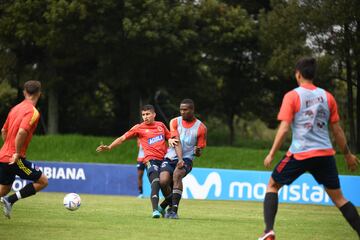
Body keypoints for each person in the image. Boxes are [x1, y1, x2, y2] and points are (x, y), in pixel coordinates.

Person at [258, 57, 360, 240]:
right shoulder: (328, 97)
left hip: (300, 153)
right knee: (339, 199)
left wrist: (271, 153)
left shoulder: (292, 96)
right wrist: (348, 155)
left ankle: (269, 232)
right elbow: (337, 130)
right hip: (325, 155)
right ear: (313, 75)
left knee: (272, 185)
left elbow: (283, 128)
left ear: (298, 74)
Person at [96, 104, 179, 218]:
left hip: (165, 160)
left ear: (154, 114)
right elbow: (122, 138)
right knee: (155, 181)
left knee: (172, 187)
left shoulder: (161, 125)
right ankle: (155, 210)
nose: (145, 117)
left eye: (148, 114)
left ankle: (162, 207)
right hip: (151, 160)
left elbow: (170, 137)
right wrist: (110, 147)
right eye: (143, 115)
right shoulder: (139, 128)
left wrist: (170, 140)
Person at [0, 80, 48, 219]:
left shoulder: (15, 108)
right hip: (15, 158)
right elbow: (22, 132)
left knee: (4, 189)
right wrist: (15, 152)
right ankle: (10, 200)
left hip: (3, 156)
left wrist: (7, 148)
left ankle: (8, 199)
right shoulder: (33, 112)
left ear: (24, 92)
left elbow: (4, 130)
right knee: (43, 181)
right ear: (39, 93)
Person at [159, 98, 207, 219]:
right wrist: (179, 159)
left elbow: (199, 151)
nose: (182, 112)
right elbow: (176, 142)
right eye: (181, 110)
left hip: (187, 159)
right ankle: (166, 205)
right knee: (164, 181)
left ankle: (173, 211)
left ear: (192, 110)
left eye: (185, 110)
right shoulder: (174, 122)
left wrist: (197, 151)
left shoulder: (201, 128)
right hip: (171, 157)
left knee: (177, 175)